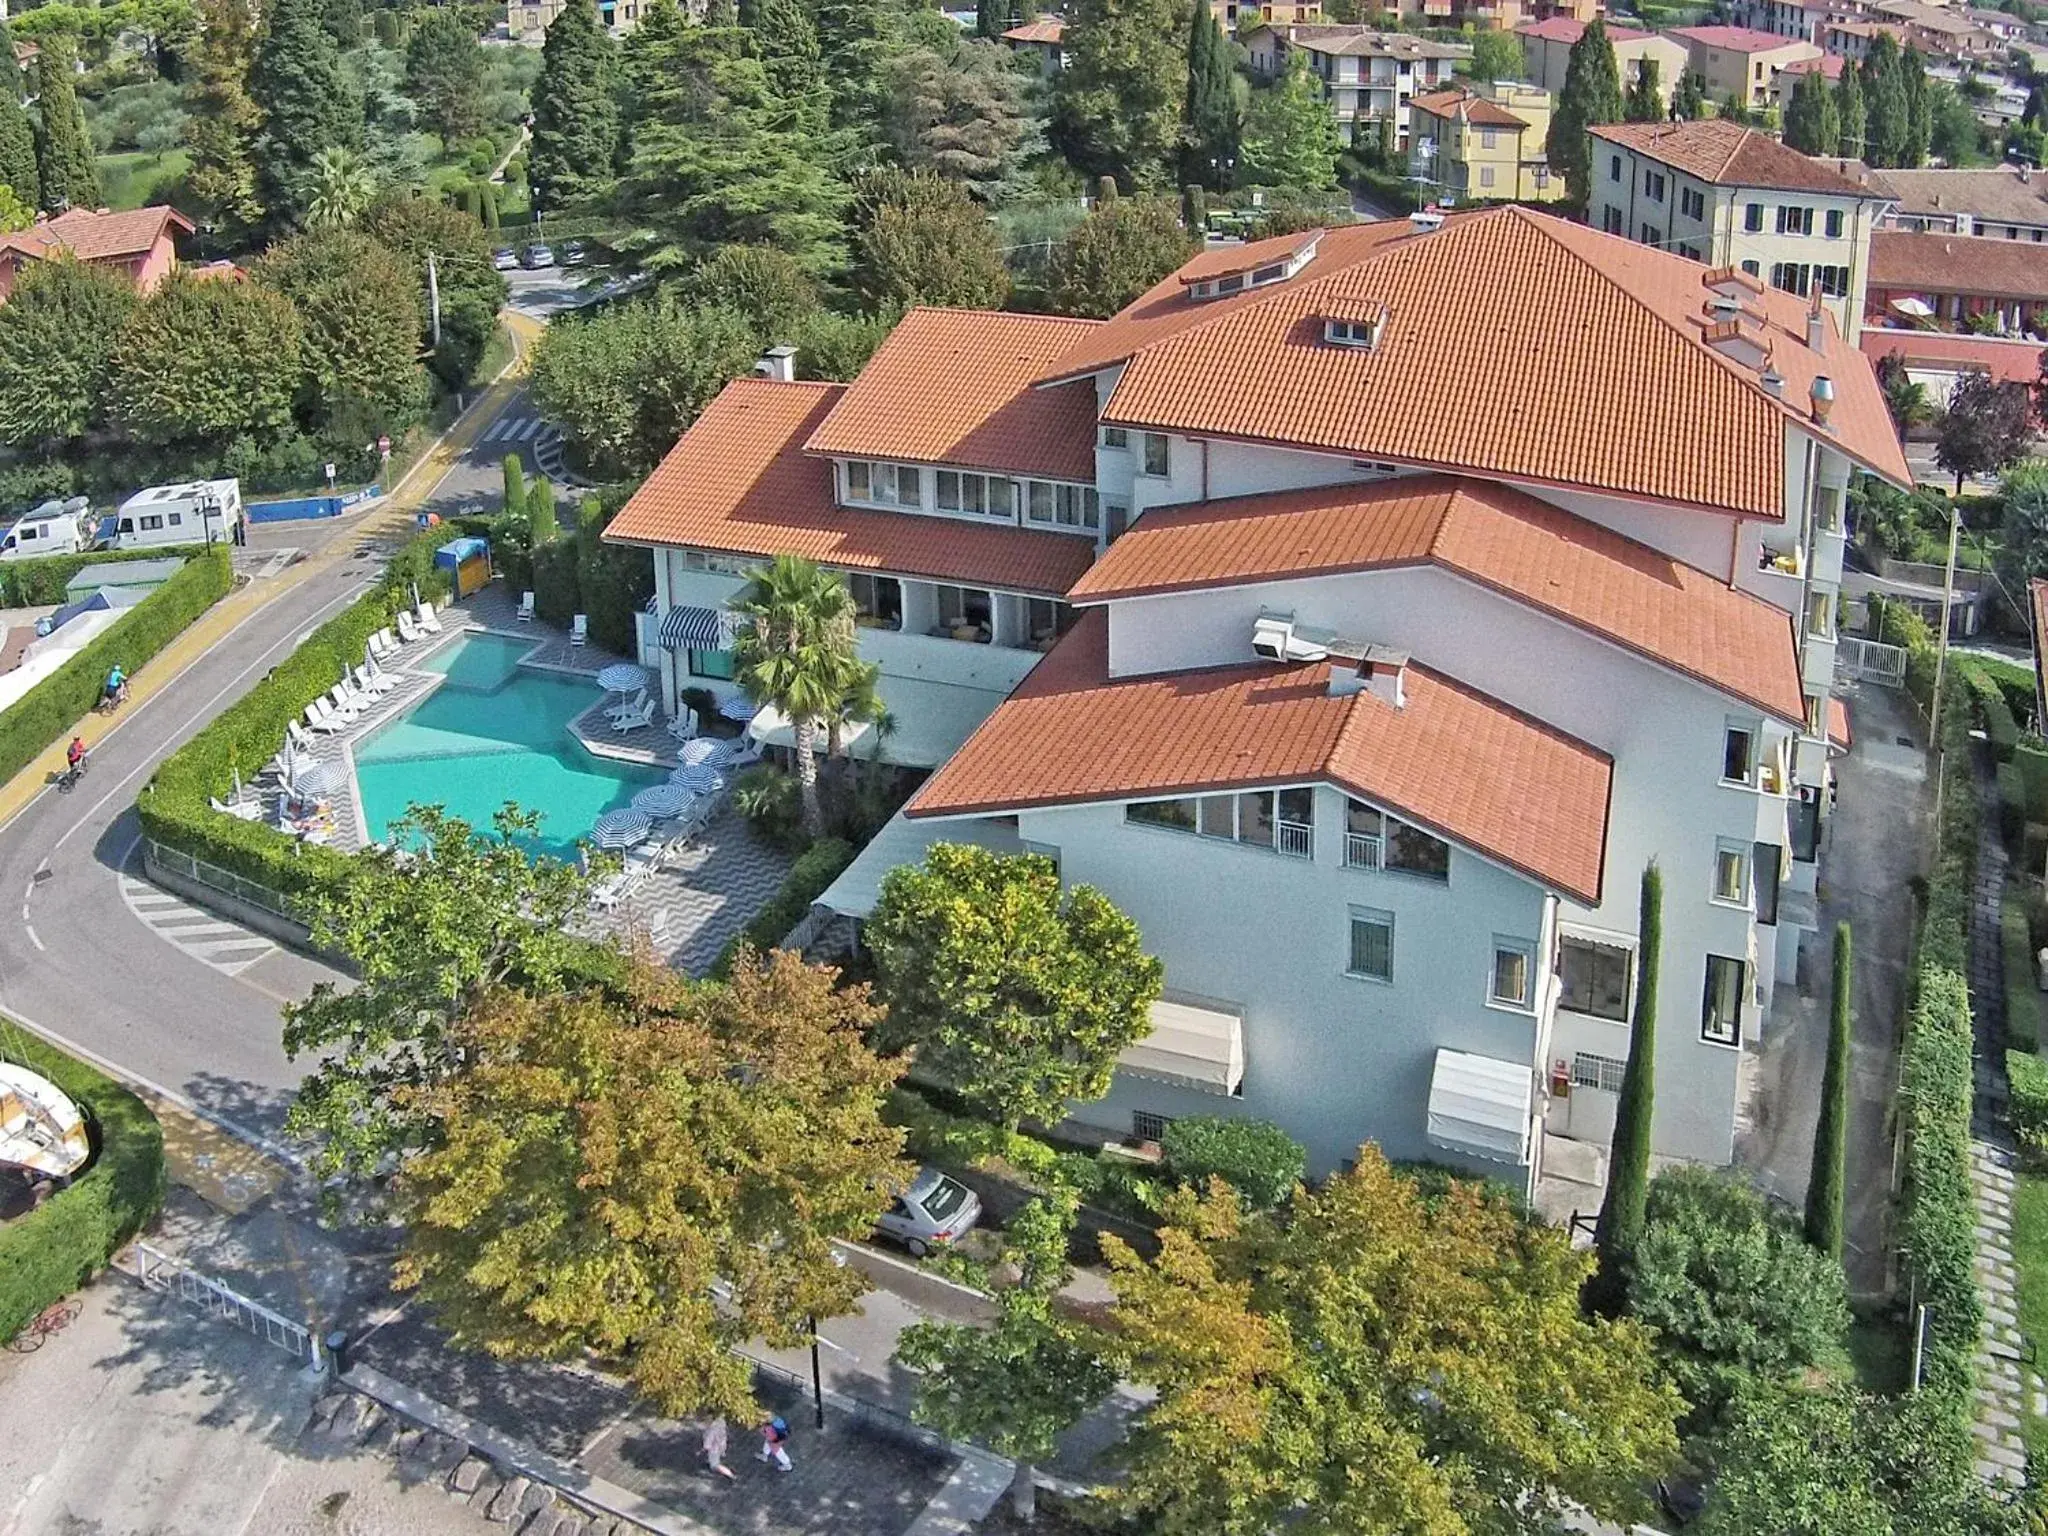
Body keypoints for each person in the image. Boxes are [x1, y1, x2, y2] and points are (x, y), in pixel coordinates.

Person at [701, 1415, 735, 1480]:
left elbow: (709, 1440)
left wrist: (703, 1449)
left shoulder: (712, 1430)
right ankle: (711, 1462)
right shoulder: (720, 1425)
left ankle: (729, 1474)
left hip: (714, 1449)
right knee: (714, 1458)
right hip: (720, 1446)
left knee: (715, 1465)